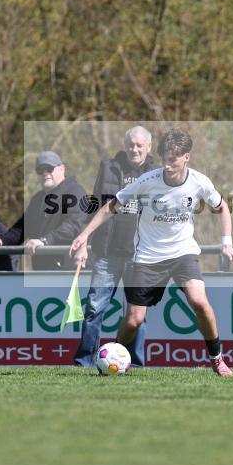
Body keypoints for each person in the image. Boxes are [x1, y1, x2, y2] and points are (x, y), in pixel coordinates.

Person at [70, 128, 233, 377]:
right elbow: (110, 207)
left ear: (186, 157)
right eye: (164, 158)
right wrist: (85, 234)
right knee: (133, 320)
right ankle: (111, 360)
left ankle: (217, 359)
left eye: (173, 159)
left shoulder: (199, 182)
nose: (167, 164)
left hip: (184, 253)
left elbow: (222, 207)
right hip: (149, 257)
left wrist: (226, 242)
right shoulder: (148, 181)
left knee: (200, 303)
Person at [73, 126, 157, 368]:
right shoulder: (109, 167)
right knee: (94, 308)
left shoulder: (156, 173)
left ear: (148, 147)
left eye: (140, 145)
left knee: (137, 314)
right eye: (131, 144)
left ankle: (136, 364)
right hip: (107, 252)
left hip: (140, 255)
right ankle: (85, 361)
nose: (135, 149)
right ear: (125, 145)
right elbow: (95, 206)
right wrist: (84, 241)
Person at [0, 151, 87, 271]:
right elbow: (22, 228)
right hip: (43, 270)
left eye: (49, 168)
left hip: (69, 269)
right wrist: (2, 240)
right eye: (40, 170)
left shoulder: (75, 192)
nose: (45, 173)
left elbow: (74, 225)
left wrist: (45, 241)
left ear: (62, 169)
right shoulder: (38, 199)